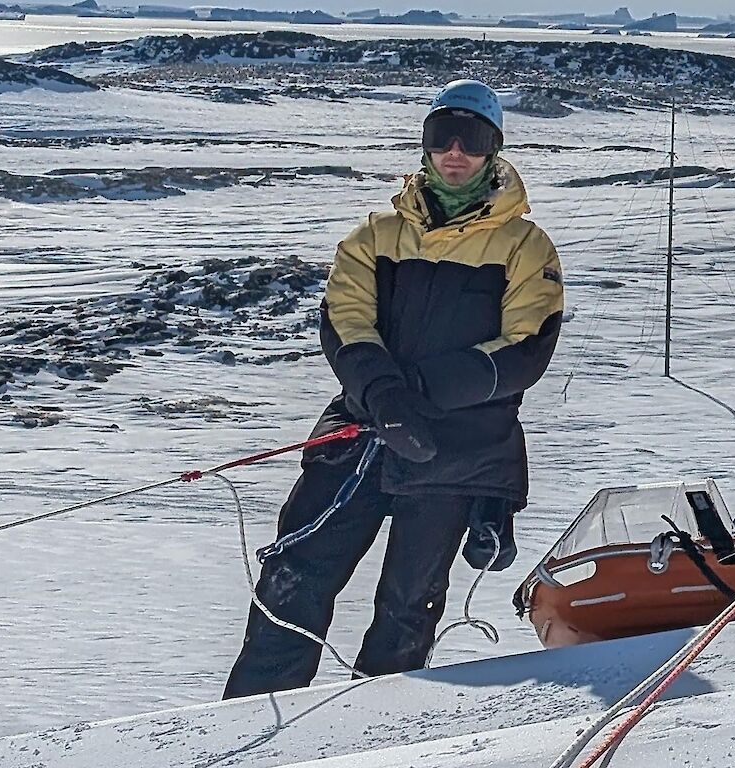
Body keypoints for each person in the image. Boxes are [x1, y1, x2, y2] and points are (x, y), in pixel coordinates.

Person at [224, 79, 564, 698]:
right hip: (359, 432)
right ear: (425, 145)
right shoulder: (375, 235)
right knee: (293, 575)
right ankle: (251, 720)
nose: (455, 151)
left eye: (473, 138)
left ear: (495, 149)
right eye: (442, 136)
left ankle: (372, 733)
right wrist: (384, 396)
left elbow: (524, 347)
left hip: (455, 451)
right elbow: (345, 317)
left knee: (408, 608)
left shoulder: (525, 246)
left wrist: (420, 393)